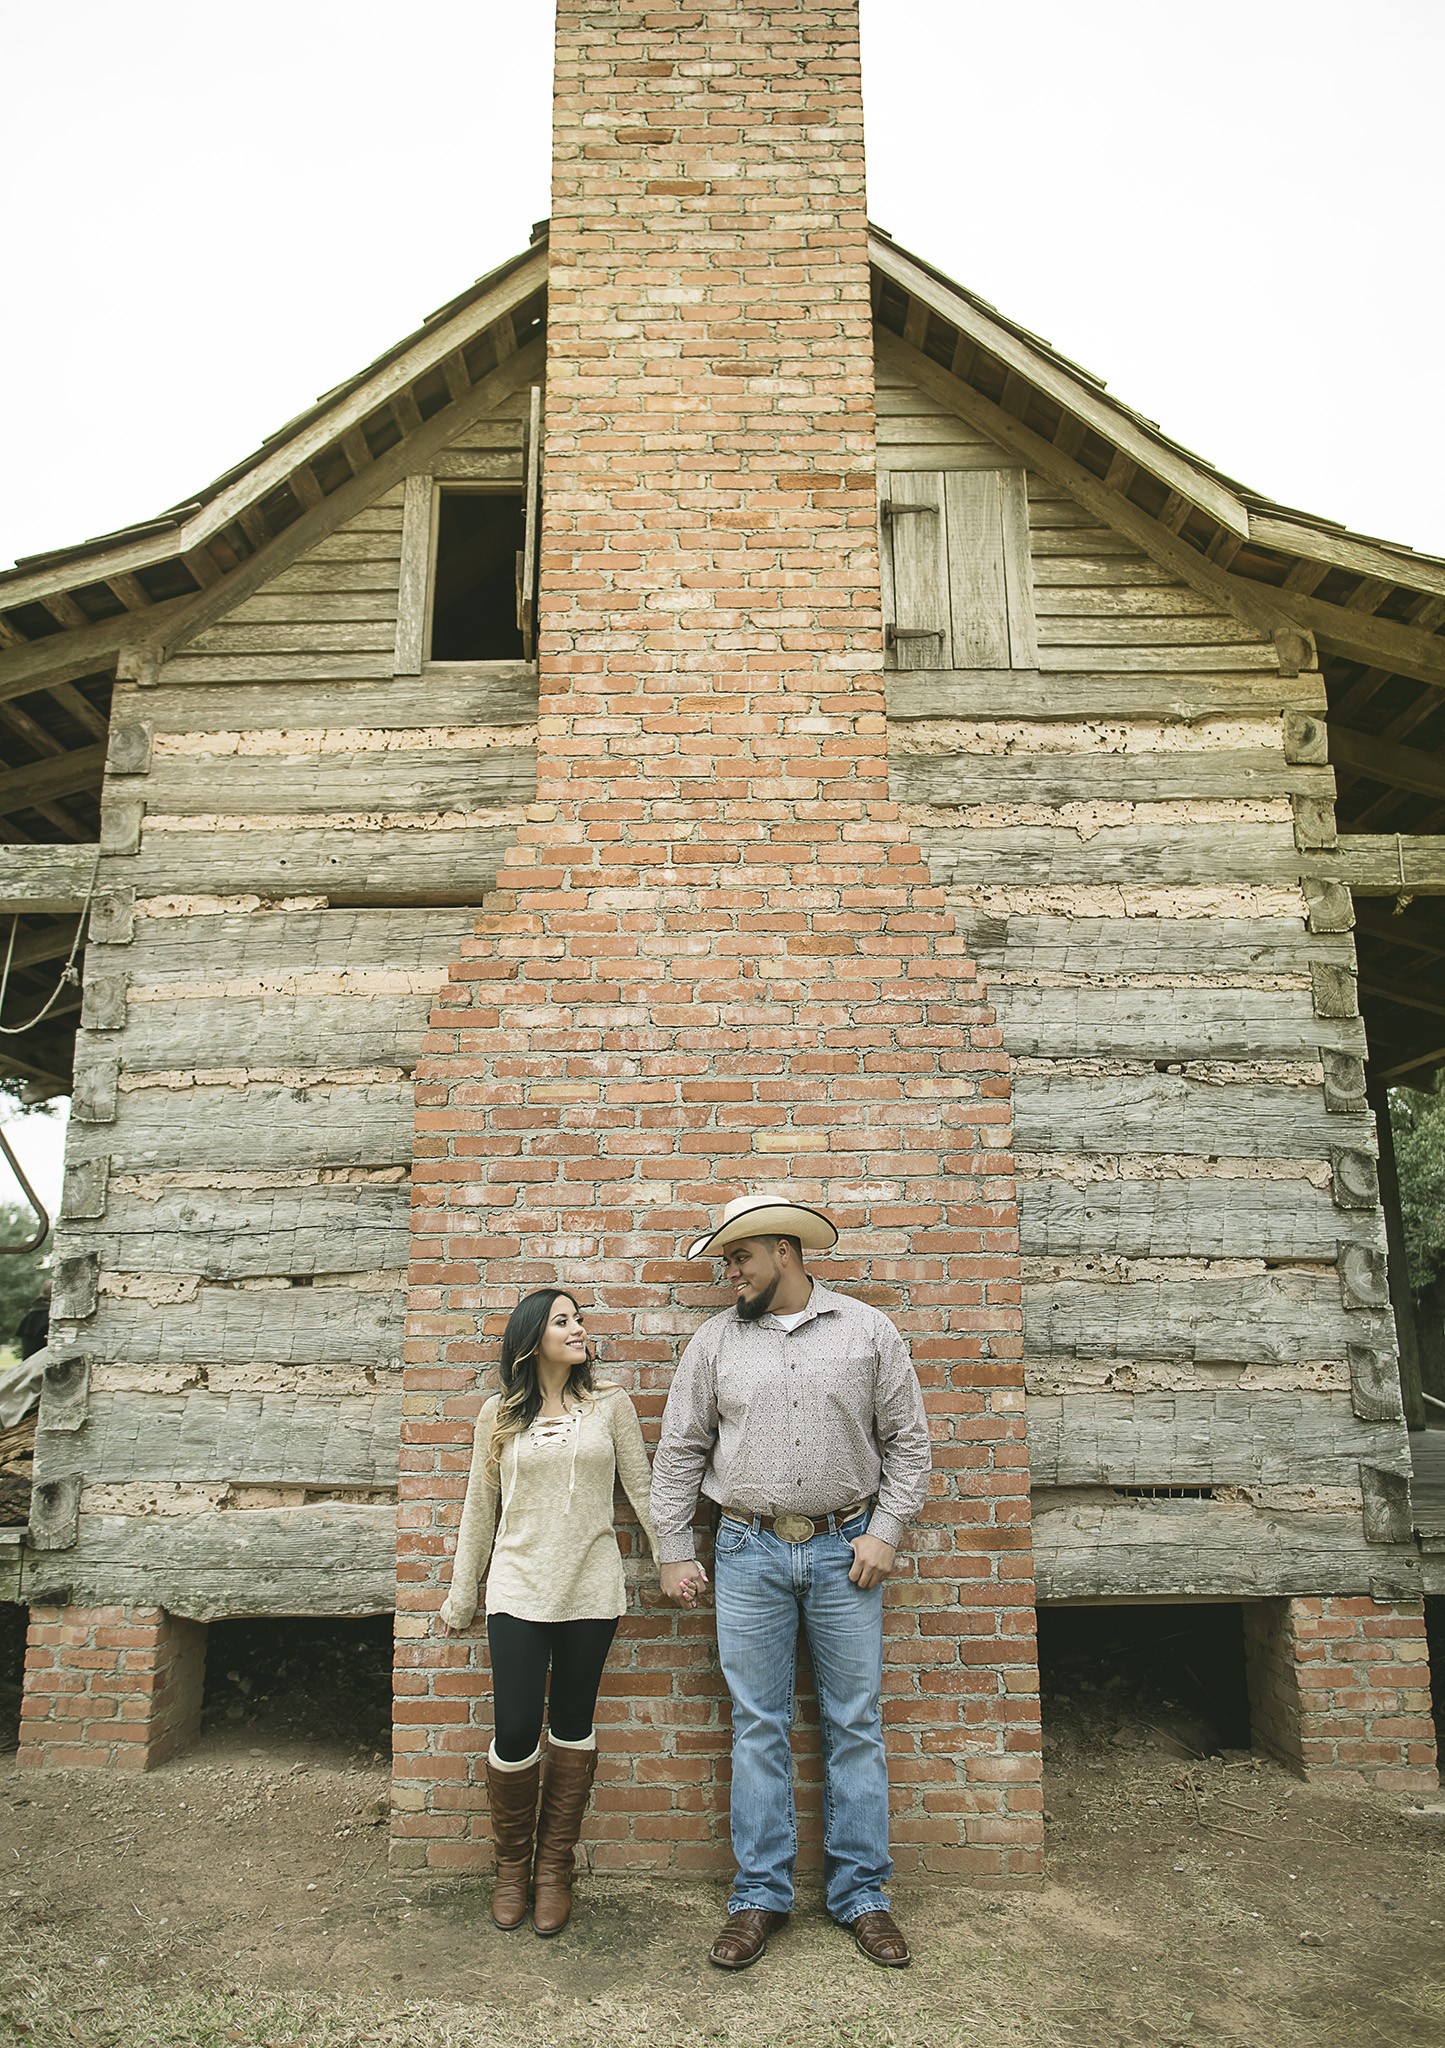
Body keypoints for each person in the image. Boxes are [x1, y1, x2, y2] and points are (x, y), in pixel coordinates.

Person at [650, 1191, 932, 1973]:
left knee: (854, 1723)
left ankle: (863, 1897)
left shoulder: (867, 1331)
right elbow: (678, 1452)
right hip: (746, 1551)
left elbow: (908, 1443)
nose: (728, 1272)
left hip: (848, 1551)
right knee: (757, 1725)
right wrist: (675, 1548)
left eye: (739, 1257)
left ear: (785, 1251)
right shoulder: (713, 1343)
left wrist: (884, 1531)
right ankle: (759, 1896)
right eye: (724, 1260)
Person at [438, 1287, 658, 1935]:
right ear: (533, 1338)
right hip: (516, 1588)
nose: (579, 1328)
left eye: (580, 1319)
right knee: (513, 1732)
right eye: (563, 1321)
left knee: (570, 1723)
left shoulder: (611, 1406)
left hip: (591, 1588)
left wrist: (674, 1558)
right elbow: (480, 1511)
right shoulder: (497, 1415)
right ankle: (511, 1868)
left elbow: (641, 1491)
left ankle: (553, 1868)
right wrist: (462, 1593)